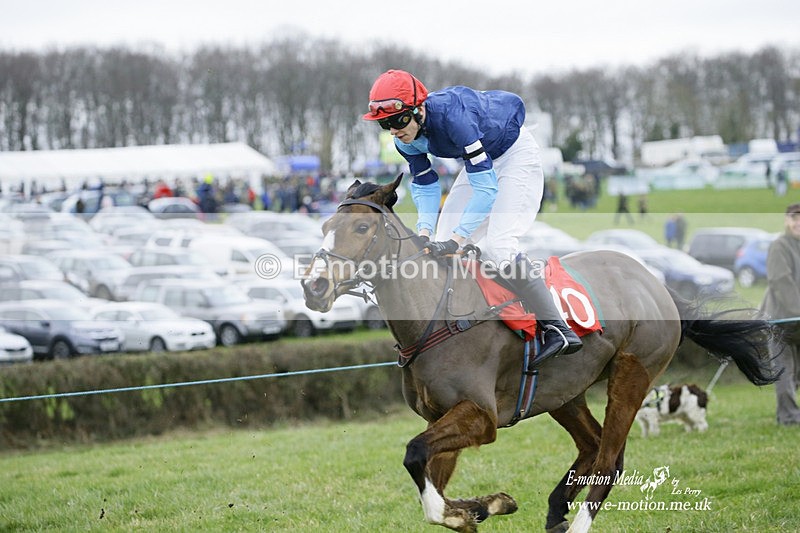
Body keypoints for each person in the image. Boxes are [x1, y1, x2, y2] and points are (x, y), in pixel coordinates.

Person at [362, 69, 581, 360]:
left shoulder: (454, 118)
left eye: (397, 120)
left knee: (497, 248)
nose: (393, 130)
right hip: (480, 162)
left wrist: (459, 239)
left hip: (514, 155)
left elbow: (487, 190)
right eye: (383, 124)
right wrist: (425, 233)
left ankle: (558, 328)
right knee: (437, 245)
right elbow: (426, 186)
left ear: (418, 110)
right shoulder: (404, 139)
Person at [761, 202, 800, 426]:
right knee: (783, 370)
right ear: (787, 221)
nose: (798, 223)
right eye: (794, 218)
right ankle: (789, 417)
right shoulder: (779, 246)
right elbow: (780, 280)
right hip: (781, 320)